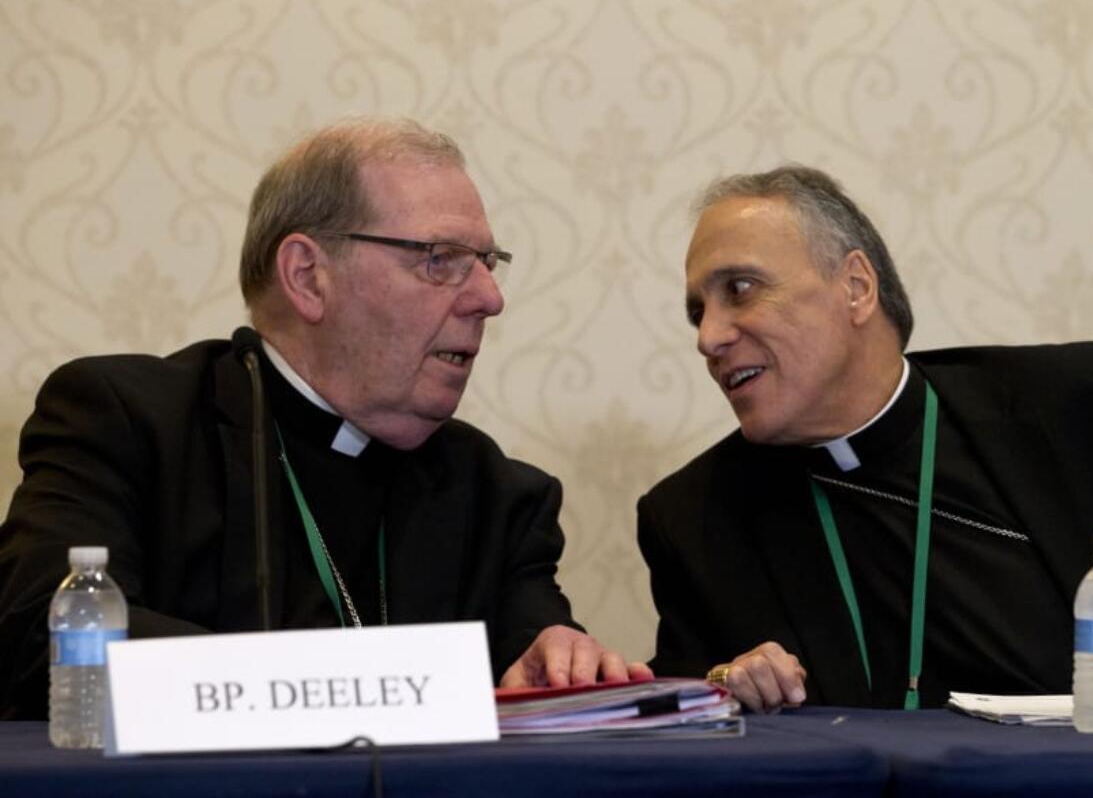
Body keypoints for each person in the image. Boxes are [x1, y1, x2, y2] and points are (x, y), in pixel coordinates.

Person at [0, 116, 647, 719]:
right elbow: (47, 635)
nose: (489, 298)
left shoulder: (495, 491)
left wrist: (562, 658)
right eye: (440, 259)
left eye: (486, 262)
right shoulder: (128, 421)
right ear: (308, 276)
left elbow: (534, 659)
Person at [637, 164, 1093, 713]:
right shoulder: (693, 519)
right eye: (698, 312)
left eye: (740, 289)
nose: (709, 337)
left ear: (857, 287)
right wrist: (729, 685)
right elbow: (687, 706)